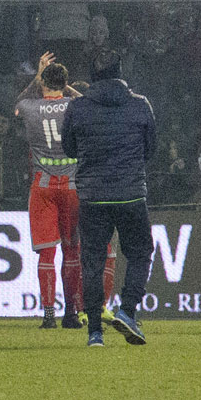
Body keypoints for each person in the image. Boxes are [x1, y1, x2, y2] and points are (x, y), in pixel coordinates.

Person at [62, 55, 158, 347]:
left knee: (91, 260)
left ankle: (94, 331)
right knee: (140, 253)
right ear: (121, 72)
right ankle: (127, 311)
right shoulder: (140, 104)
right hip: (131, 193)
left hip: (92, 196)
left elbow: (69, 148)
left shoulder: (78, 107)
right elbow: (150, 149)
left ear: (92, 76)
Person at [14, 55, 82, 329]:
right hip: (72, 186)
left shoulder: (30, 107)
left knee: (47, 253)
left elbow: (17, 104)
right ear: (64, 84)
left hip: (43, 187)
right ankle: (71, 313)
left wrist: (37, 78)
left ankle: (48, 314)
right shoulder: (75, 105)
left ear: (43, 83)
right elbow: (89, 102)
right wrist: (66, 87)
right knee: (71, 250)